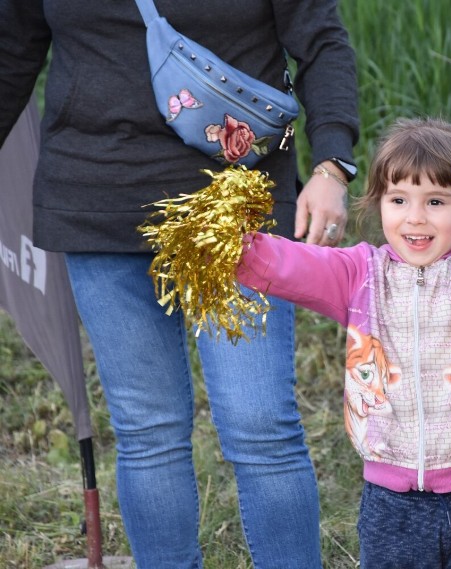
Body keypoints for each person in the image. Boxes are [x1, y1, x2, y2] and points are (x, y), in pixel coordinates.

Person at [0, 1, 359, 567]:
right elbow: (11, 51)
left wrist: (333, 163)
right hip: (98, 200)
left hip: (236, 211)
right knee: (147, 433)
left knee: (259, 426)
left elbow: (320, 41)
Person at [236, 117, 451, 569]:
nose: (415, 217)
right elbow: (288, 264)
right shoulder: (359, 277)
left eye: (436, 201)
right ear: (379, 204)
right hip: (391, 503)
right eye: (399, 200)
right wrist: (229, 245)